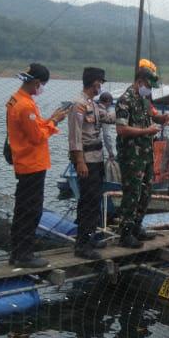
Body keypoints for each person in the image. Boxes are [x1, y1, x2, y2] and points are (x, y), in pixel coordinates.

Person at [6, 63, 68, 267]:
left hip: (24, 162)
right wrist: (55, 122)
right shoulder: (25, 106)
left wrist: (51, 119)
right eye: (41, 84)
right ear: (34, 82)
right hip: (31, 163)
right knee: (31, 210)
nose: (41, 88)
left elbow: (34, 126)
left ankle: (17, 252)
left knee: (22, 208)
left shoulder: (17, 99)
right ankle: (25, 254)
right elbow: (36, 136)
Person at [116, 62, 169, 248]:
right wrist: (146, 131)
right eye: (147, 86)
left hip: (146, 154)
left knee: (146, 192)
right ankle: (125, 233)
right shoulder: (125, 100)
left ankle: (137, 226)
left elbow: (153, 115)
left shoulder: (144, 100)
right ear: (139, 82)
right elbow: (121, 129)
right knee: (132, 193)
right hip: (131, 155)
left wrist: (163, 119)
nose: (149, 90)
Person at [67, 67, 114, 260]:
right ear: (93, 82)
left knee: (94, 200)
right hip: (86, 159)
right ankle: (82, 245)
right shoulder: (78, 104)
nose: (100, 86)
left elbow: (107, 118)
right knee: (87, 201)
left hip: (97, 159)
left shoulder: (93, 105)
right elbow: (75, 137)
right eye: (99, 83)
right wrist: (80, 161)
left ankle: (89, 236)